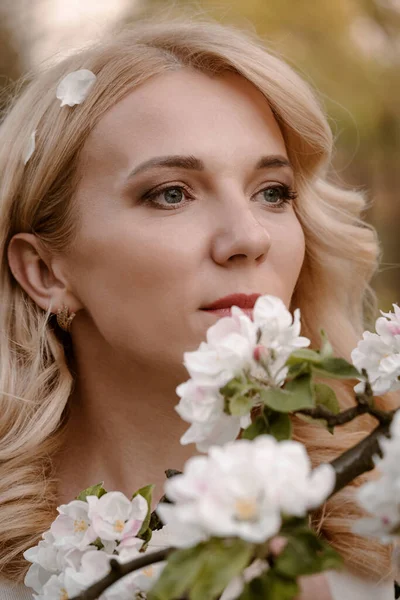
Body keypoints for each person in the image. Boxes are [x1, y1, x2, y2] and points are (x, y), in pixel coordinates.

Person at [0, 12, 398, 600]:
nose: (248, 238)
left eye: (272, 193)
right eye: (171, 194)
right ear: (44, 271)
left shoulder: (381, 514)